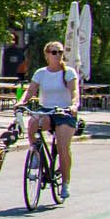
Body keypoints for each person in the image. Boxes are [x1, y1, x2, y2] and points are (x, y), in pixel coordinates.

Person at [21, 40, 81, 190]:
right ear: (47, 55)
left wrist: (74, 105)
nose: (58, 55)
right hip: (46, 110)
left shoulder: (68, 72)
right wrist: (21, 103)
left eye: (60, 52)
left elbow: (74, 92)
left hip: (64, 112)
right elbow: (30, 91)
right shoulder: (41, 73)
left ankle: (65, 183)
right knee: (33, 122)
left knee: (62, 147)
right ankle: (35, 152)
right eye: (54, 52)